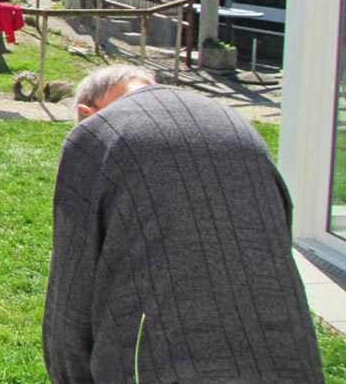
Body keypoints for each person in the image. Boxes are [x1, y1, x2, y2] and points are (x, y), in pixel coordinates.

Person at [43, 65, 324, 383]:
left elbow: (70, 297)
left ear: (86, 112)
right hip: (289, 364)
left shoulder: (95, 133)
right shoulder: (238, 125)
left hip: (158, 366)